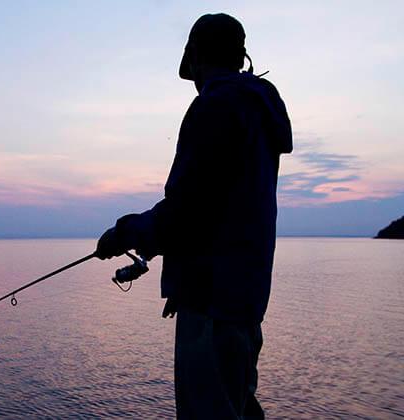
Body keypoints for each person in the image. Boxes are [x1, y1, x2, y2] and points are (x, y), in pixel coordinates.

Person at [95, 13, 293, 419]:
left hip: (212, 303)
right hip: (244, 299)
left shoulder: (214, 108)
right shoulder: (254, 111)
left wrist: (123, 232)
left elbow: (185, 212)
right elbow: (215, 209)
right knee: (237, 406)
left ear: (195, 54)